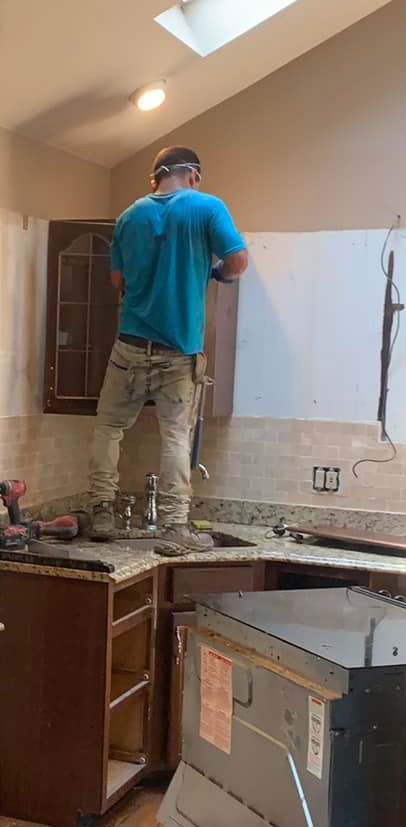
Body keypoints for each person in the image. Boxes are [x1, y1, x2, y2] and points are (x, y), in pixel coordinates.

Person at [89, 145, 248, 552]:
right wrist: (214, 273)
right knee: (176, 435)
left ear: (155, 178)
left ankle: (102, 512)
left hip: (128, 346)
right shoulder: (207, 208)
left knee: (109, 428)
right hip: (179, 352)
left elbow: (117, 281)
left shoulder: (128, 216)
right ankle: (175, 527)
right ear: (193, 174)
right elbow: (238, 261)